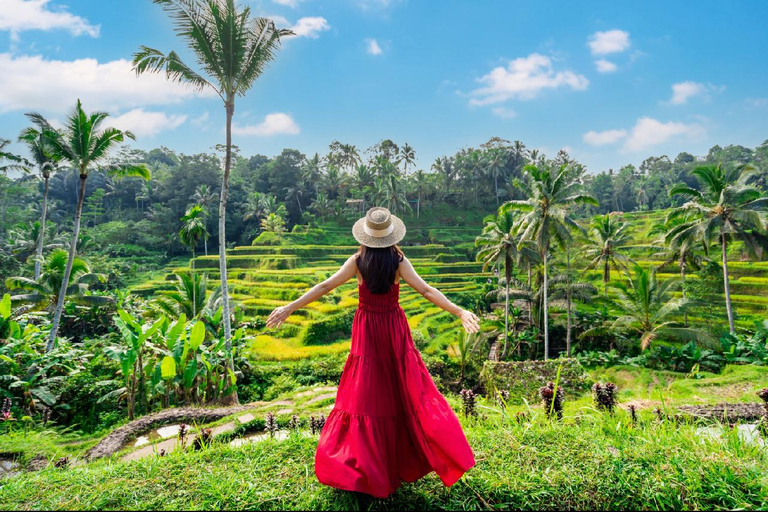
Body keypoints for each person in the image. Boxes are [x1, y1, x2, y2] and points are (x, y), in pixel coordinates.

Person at [266, 207, 479, 498]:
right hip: (393, 327)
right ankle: (404, 458)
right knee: (401, 388)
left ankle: (368, 468)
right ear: (392, 236)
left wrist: (290, 306)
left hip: (367, 328)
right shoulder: (399, 261)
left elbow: (326, 285)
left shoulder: (357, 261)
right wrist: (458, 310)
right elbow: (427, 291)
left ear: (365, 236)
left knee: (367, 393)